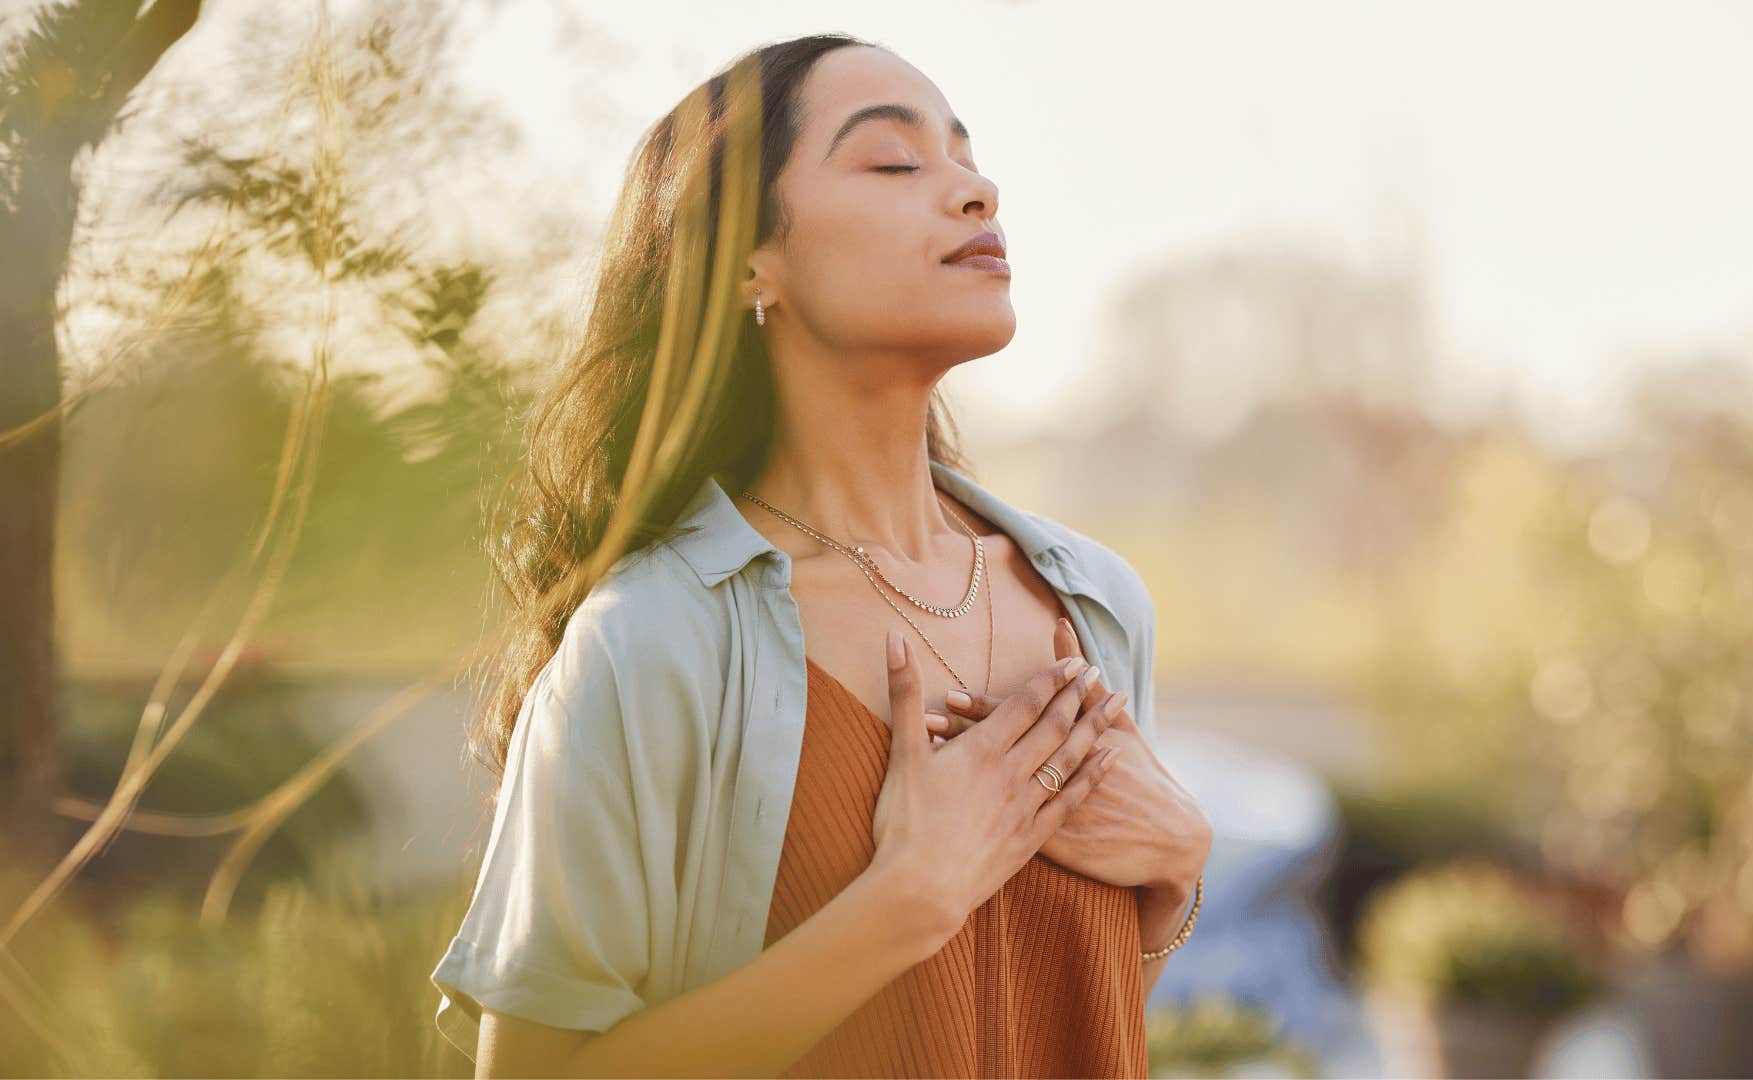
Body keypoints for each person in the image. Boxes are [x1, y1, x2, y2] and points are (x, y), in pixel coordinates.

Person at [427, 32, 1212, 1078]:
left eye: (968, 158)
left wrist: (1173, 879)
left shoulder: (1099, 603)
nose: (975, 191)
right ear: (752, 262)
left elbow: (1055, 1013)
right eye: (895, 162)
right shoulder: (652, 642)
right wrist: (904, 904)